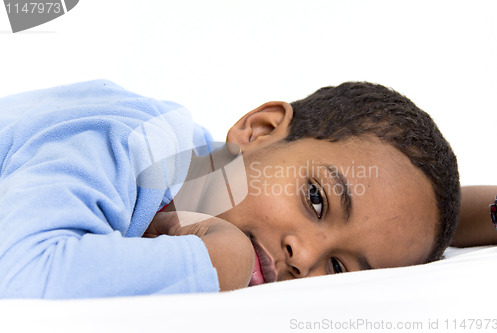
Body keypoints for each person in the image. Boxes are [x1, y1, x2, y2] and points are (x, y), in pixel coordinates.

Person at [0, 79, 460, 299]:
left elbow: (390, 220)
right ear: (259, 130)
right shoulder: (128, 144)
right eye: (316, 199)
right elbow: (20, 269)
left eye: (339, 268)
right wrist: (218, 261)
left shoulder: (206, 184)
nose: (304, 258)